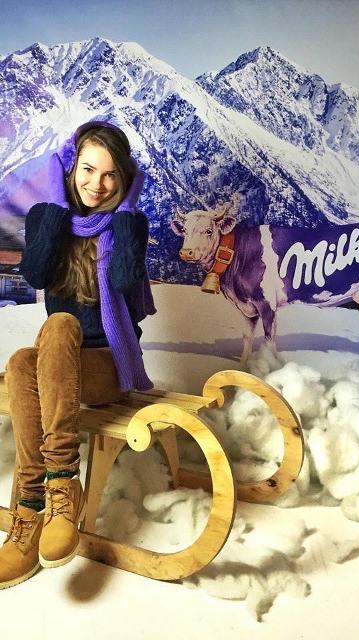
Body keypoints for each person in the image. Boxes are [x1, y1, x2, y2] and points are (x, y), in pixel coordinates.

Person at [0, 121, 156, 589]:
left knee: (59, 325)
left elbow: (124, 281)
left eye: (111, 175)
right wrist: (53, 205)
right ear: (70, 169)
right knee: (21, 361)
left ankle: (61, 480)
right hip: (57, 365)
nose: (97, 184)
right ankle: (33, 510)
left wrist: (126, 211)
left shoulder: (129, 223)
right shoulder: (47, 218)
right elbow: (36, 273)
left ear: (124, 180)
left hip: (107, 364)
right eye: (88, 170)